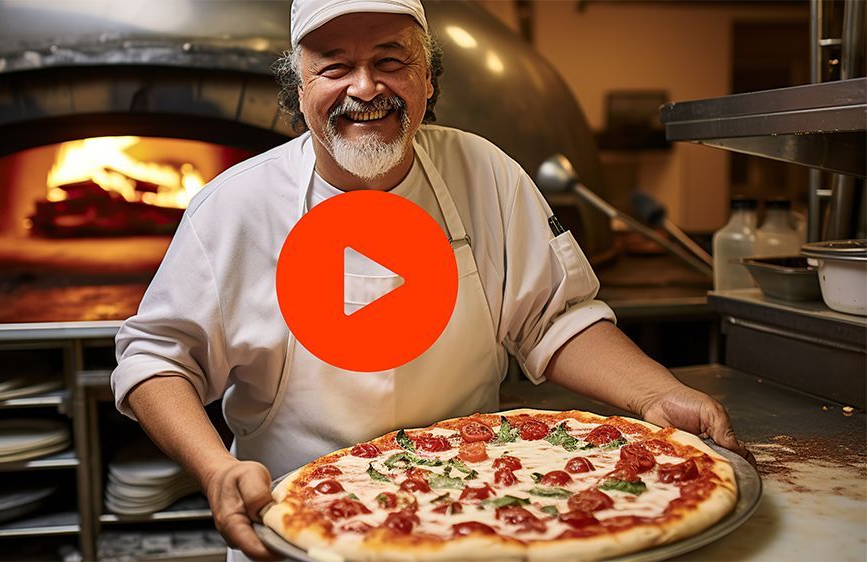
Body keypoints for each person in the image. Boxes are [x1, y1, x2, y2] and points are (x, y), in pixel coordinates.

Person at [111, 1, 751, 560]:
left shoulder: (487, 173)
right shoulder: (235, 206)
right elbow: (155, 360)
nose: (367, 88)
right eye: (334, 66)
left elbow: (554, 321)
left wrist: (654, 394)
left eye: (392, 61)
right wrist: (216, 468)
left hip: (486, 502)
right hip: (298, 522)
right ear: (297, 87)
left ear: (427, 79)